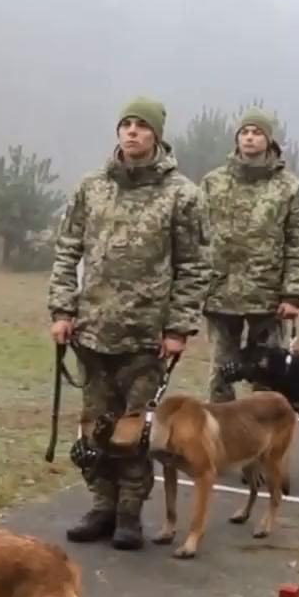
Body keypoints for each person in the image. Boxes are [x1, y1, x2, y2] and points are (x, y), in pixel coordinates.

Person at [48, 97, 209, 551]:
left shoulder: (182, 195)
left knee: (132, 430)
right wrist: (63, 311)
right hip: (92, 332)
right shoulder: (91, 187)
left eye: (141, 126)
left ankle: (129, 514)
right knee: (94, 426)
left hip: (146, 337)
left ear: (156, 134)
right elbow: (67, 249)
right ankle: (100, 504)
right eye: (126, 125)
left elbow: (195, 266)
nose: (132, 132)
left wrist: (178, 328)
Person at [198, 110, 299, 403]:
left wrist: (293, 294)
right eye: (245, 132)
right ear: (237, 138)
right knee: (222, 371)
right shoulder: (213, 182)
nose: (250, 137)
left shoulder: (288, 187)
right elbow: (196, 236)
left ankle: (264, 436)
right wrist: (198, 282)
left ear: (269, 139)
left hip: (268, 296)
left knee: (268, 372)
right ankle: (222, 436)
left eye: (257, 132)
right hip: (221, 292)